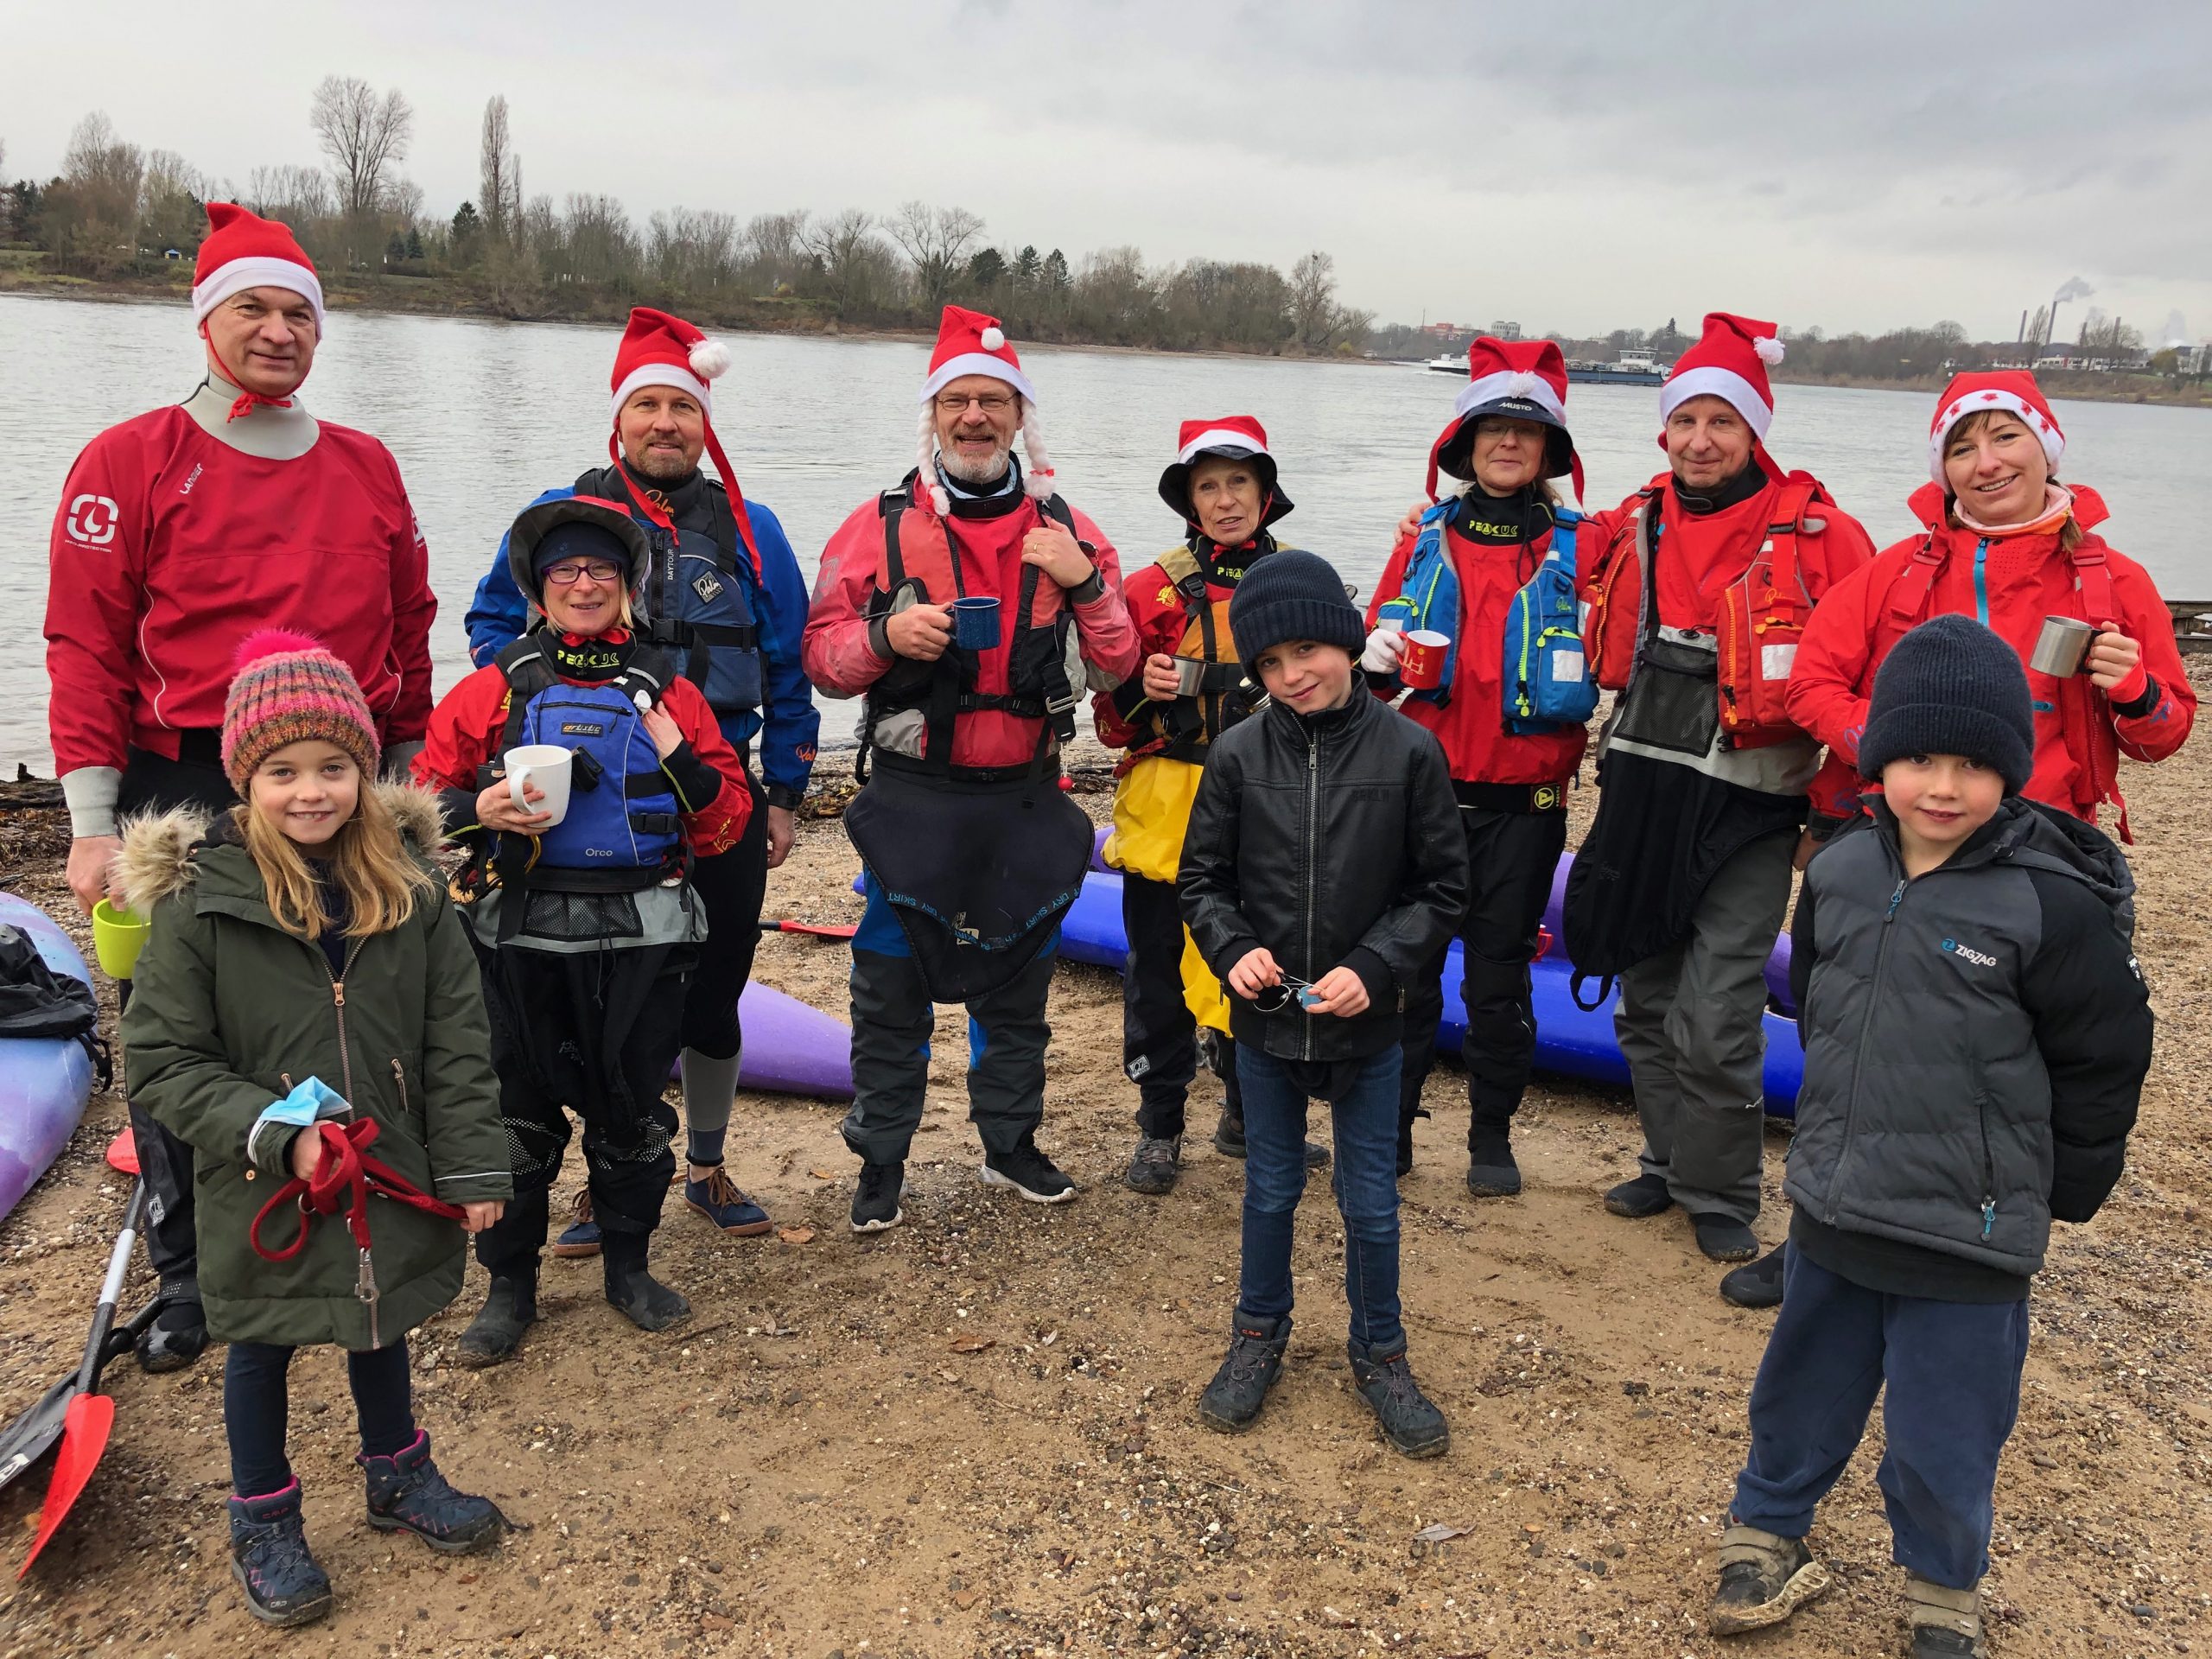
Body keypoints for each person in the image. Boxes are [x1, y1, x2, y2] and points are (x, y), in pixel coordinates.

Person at [1708, 615, 2151, 1659]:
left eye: (1970, 764)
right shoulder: (1845, 868)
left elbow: (2104, 1055)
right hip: (1836, 1200)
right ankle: (1767, 1527)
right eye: (1916, 758)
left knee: (1945, 1430)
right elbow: (1816, 995)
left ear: (2011, 768)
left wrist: (2063, 1186)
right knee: (1799, 1388)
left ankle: (1944, 1587)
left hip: (1968, 1228)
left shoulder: (2051, 905)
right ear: (1878, 758)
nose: (1940, 787)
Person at [1709, 370, 2199, 1311]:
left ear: (2045, 450)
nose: (1985, 464)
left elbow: (2165, 731)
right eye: (1961, 446)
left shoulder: (2113, 581)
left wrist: (2131, 684)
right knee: (1858, 1043)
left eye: (2004, 439)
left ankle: (1982, 1241)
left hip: (2040, 862)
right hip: (1902, 850)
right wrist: (1893, 760)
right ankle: (1818, 1233)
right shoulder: (1896, 571)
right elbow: (1814, 682)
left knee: (2012, 1061)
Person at [44, 201, 437, 1374]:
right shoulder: (130, 459)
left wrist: (408, 785)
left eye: (298, 313)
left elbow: (411, 636)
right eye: (252, 310)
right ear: (206, 320)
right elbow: (85, 644)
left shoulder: (367, 467)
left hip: (340, 781)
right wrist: (89, 822)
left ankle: (365, 1218)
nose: (278, 332)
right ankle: (189, 1276)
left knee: (347, 1016)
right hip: (185, 783)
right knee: (182, 1040)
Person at [117, 633, 512, 1628]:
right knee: (261, 1342)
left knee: (375, 1319)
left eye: (334, 767)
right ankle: (263, 1514)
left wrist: (470, 1163)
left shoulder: (416, 896)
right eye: (283, 771)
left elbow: (455, 1043)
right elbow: (162, 1064)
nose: (311, 792)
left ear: (364, 771)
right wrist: (270, 1133)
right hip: (262, 1184)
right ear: (246, 779)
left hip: (387, 1165)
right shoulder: (197, 907)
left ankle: (397, 1472)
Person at [463, 308, 817, 1255]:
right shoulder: (558, 517)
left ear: (704, 424)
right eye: (647, 405)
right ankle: (601, 1175)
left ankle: (703, 1164)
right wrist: (544, 700)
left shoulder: (753, 528)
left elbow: (786, 663)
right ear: (618, 420)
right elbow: (490, 623)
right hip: (580, 799)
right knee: (589, 989)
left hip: (713, 792)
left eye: (682, 408)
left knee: (713, 986)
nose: (665, 422)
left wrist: (783, 792)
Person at [804, 305, 1140, 1230]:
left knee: (1015, 995)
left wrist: (1083, 582)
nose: (975, 417)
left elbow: (1118, 662)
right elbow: (822, 659)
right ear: (934, 415)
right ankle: (881, 1159)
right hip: (914, 802)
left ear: (1020, 418)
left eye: (994, 401)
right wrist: (883, 634)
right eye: (958, 401)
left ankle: (1008, 1145)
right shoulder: (876, 527)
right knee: (887, 994)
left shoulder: (1072, 531)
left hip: (1027, 799)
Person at [1560, 313, 1876, 1272]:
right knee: (1644, 1002)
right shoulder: (1630, 521)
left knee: (1720, 1013)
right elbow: (1529, 553)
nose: (1700, 440)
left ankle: (1723, 1192)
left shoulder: (1824, 537)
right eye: (1685, 420)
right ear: (1664, 431)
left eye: (1722, 422)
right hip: (1643, 792)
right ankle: (1667, 1159)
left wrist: (1835, 809)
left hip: (1750, 808)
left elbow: (1870, 672)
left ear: (1755, 431)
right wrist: (1423, 526)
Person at [415, 497, 753, 1363]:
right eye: (564, 569)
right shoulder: (495, 688)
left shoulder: (670, 691)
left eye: (602, 569)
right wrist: (473, 808)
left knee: (632, 1111)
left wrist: (677, 757)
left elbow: (726, 824)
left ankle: (629, 1270)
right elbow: (415, 806)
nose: (583, 584)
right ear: (537, 587)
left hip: (641, 931)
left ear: (630, 586)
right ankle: (509, 1287)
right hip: (519, 933)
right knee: (516, 1117)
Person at [1180, 551, 1467, 1456]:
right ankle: (1256, 1334)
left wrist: (1379, 967)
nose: (1290, 675)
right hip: (1265, 1024)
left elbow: (1442, 890)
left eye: (1306, 650)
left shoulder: (1410, 750)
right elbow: (1201, 882)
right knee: (1268, 1190)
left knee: (1370, 1198)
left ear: (1346, 642)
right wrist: (1232, 951)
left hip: (1367, 1024)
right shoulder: (1234, 753)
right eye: (1268, 663)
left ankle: (1380, 1351)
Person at [1364, 336, 1596, 1198]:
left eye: (1525, 433)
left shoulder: (1589, 549)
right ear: (1463, 444)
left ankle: (1491, 1137)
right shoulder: (1420, 539)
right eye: (1491, 428)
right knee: (1407, 975)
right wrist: (1375, 654)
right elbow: (1373, 658)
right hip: (1423, 798)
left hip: (1526, 806)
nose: (1507, 444)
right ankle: (1389, 1132)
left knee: (1499, 984)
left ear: (1549, 453)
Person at [1095, 416, 1324, 1192]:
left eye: (1239, 483)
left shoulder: (1301, 577)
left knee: (1265, 961)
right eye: (1208, 486)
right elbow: (1108, 717)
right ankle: (1160, 1125)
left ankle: (1245, 1114)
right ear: (1188, 499)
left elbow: (1337, 693)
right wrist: (1140, 688)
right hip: (1167, 807)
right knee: (1158, 969)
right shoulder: (1150, 587)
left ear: (1266, 493)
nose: (1226, 501)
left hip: (1270, 804)